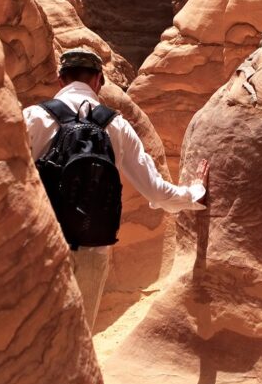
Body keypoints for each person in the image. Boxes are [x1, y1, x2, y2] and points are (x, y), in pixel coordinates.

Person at [23, 47, 208, 331]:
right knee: (79, 338)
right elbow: (156, 191)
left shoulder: (33, 117)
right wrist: (195, 193)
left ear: (60, 80)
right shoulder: (117, 126)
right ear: (99, 81)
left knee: (33, 336)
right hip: (92, 247)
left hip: (41, 243)